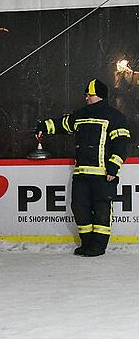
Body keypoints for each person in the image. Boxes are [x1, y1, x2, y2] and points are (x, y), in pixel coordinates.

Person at [37, 78, 131, 256]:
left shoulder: (115, 117)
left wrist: (113, 167)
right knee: (79, 207)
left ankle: (98, 246)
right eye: (86, 94)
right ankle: (87, 242)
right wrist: (43, 126)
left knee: (102, 210)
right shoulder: (80, 115)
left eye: (90, 94)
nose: (86, 97)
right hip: (81, 173)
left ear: (100, 96)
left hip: (103, 174)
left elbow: (122, 144)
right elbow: (62, 124)